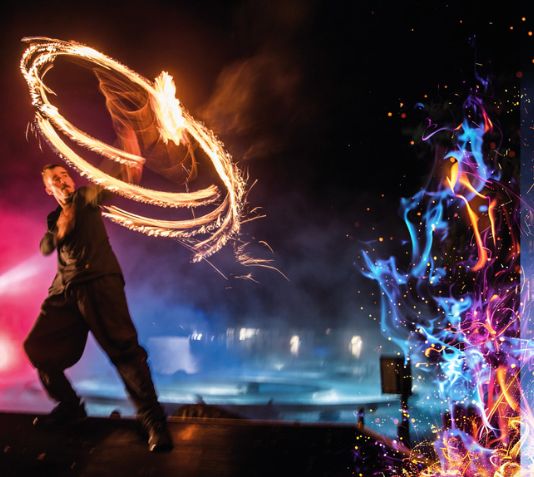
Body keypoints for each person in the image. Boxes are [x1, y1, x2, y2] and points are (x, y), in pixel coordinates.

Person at [23, 163, 173, 452]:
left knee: (124, 351)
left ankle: (153, 422)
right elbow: (45, 247)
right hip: (64, 291)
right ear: (48, 188)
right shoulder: (54, 216)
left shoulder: (86, 198)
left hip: (98, 282)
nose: (64, 181)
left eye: (65, 175)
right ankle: (70, 407)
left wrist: (130, 165)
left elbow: (114, 185)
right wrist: (58, 233)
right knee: (37, 347)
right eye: (56, 179)